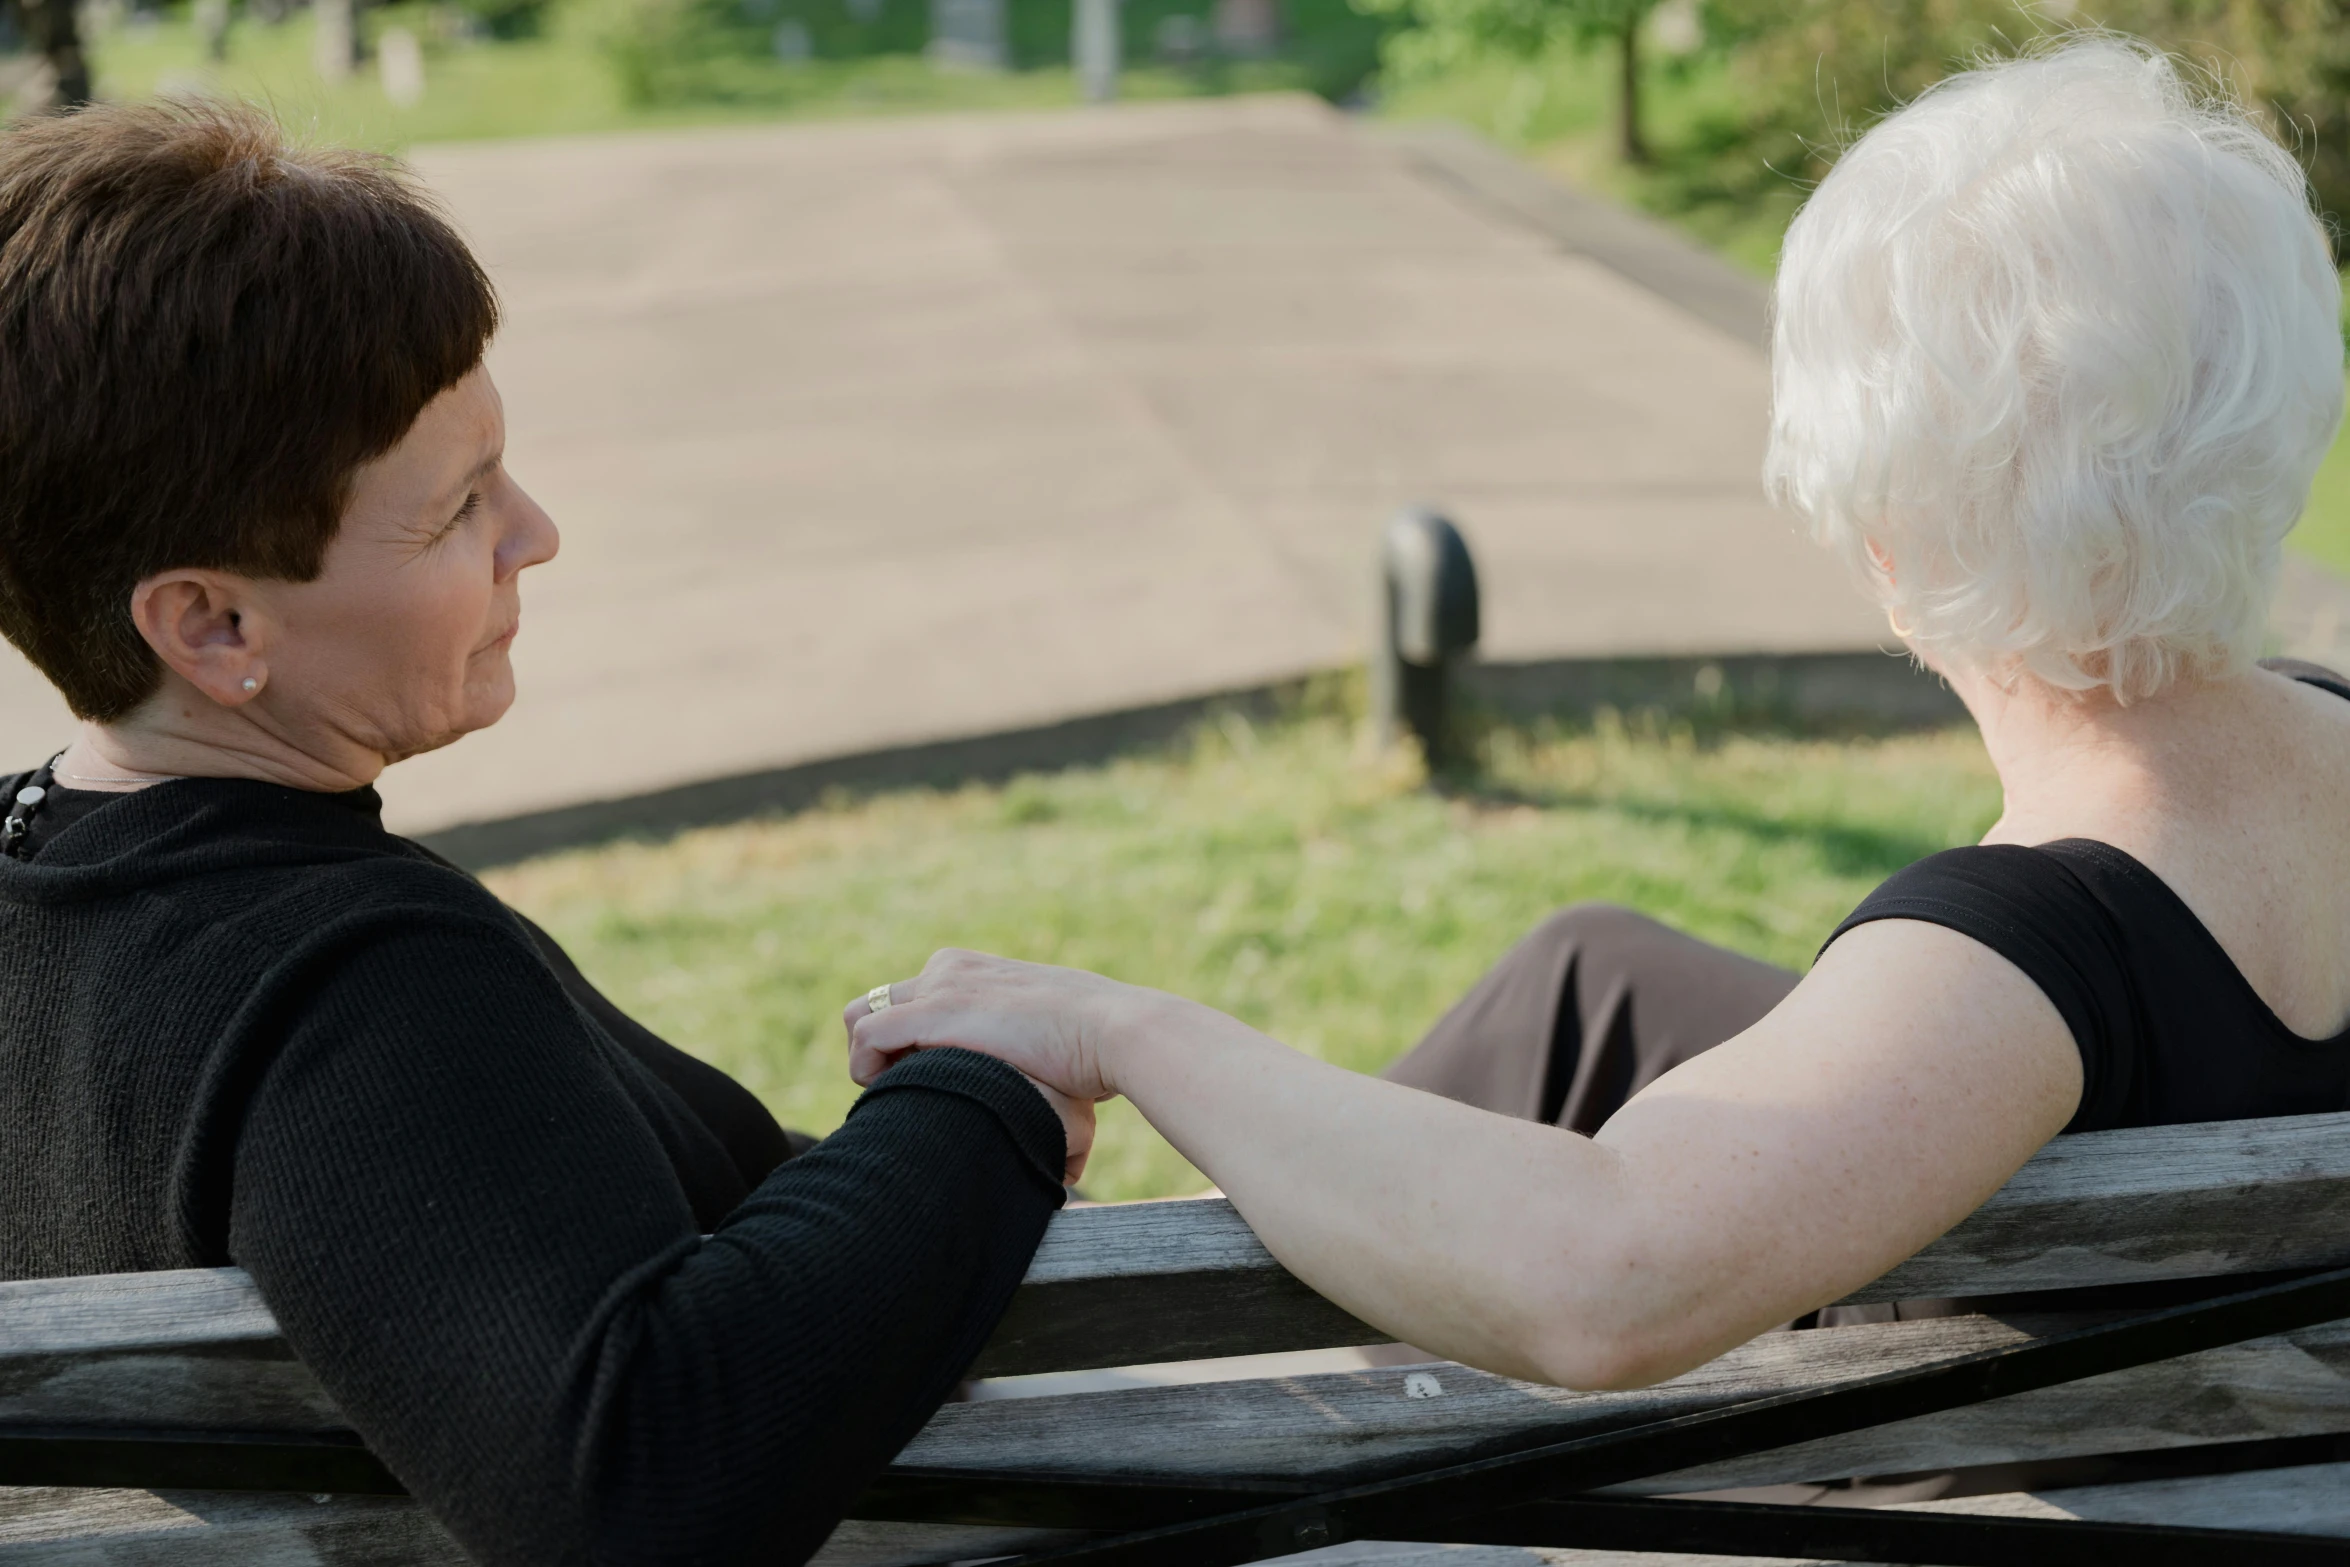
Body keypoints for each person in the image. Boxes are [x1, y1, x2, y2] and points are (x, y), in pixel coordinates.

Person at [846, 38, 2350, 1398]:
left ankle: (1272, 1356)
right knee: (1591, 974)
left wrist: (1127, 1026)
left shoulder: (2022, 953)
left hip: (1988, 1464)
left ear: (1891, 542)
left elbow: (1599, 1283)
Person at [0, 101, 1093, 1567]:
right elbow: (629, 1479)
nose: (536, 532)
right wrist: (987, 1101)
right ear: (213, 622)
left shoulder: (53, 891)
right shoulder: (342, 984)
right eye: (457, 508)